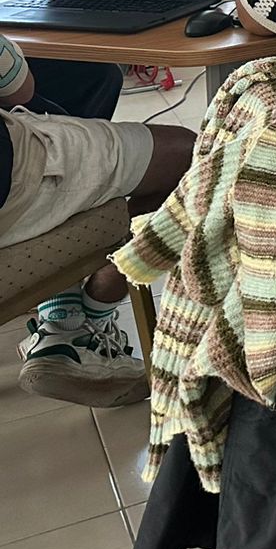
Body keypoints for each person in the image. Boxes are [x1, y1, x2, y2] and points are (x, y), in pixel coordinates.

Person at [4, 36, 196, 406]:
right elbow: (17, 87)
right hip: (11, 190)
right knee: (190, 157)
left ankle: (62, 310)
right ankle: (81, 323)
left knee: (90, 77)